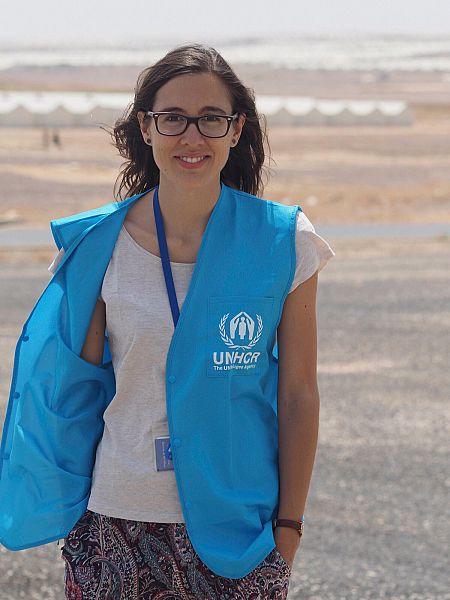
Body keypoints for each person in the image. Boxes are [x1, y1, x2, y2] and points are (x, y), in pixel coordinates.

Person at [1, 43, 335, 599]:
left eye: (211, 119)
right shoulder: (95, 246)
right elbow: (73, 394)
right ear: (147, 127)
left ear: (236, 129)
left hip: (237, 534)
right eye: (173, 118)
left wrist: (289, 531)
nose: (192, 136)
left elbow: (299, 393)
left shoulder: (284, 242)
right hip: (113, 524)